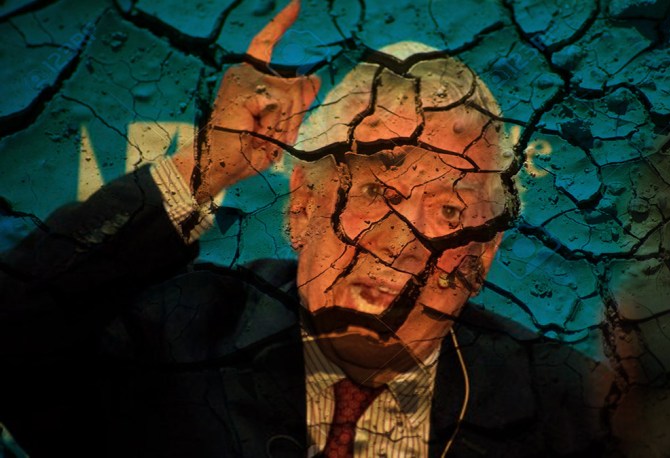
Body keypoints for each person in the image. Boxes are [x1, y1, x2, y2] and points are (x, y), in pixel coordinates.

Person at [0, 2, 605, 457]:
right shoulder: (178, 333)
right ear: (303, 207)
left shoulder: (566, 406)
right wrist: (204, 168)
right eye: (377, 193)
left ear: (485, 253)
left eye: (450, 212)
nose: (405, 243)